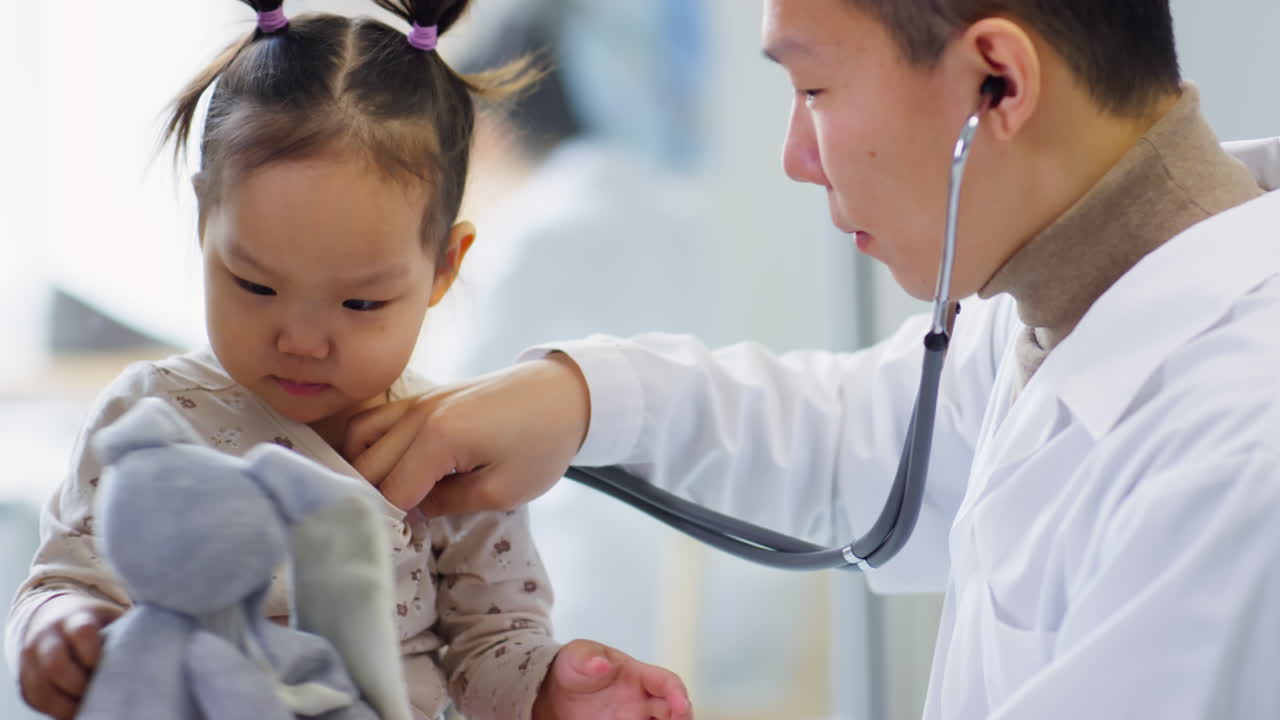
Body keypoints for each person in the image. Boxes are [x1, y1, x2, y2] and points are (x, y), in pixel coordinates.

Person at [335, 0, 1280, 718]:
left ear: (998, 80)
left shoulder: (1236, 454)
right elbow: (848, 436)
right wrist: (576, 400)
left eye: (814, 90)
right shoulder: (1061, 305)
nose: (796, 155)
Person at [3, 3, 692, 720]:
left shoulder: (455, 452)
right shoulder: (147, 416)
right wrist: (53, 631)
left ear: (443, 268)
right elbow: (64, 580)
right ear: (205, 220)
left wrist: (558, 690)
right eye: (256, 286)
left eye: (359, 304)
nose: (301, 340)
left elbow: (494, 655)